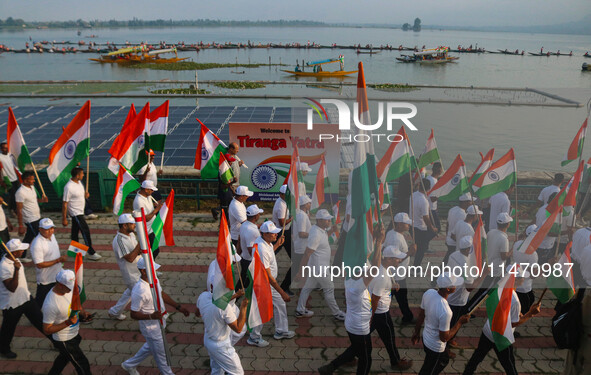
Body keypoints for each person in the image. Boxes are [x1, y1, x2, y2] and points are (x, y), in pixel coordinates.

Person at [318, 224, 385, 375]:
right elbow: (375, 266)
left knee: (356, 348)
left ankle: (330, 367)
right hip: (359, 327)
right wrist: (380, 242)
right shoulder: (357, 286)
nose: (365, 270)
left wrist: (373, 238)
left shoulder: (350, 277)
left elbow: (368, 260)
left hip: (352, 323)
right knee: (366, 357)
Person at [462, 268, 541, 375]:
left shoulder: (499, 288)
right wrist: (530, 314)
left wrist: (519, 314)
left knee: (477, 356)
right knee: (509, 365)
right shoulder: (515, 300)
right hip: (501, 335)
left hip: (488, 329)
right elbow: (513, 323)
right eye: (522, 277)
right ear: (516, 280)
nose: (524, 279)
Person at [121, 258, 189, 375]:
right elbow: (133, 314)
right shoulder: (139, 290)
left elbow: (161, 293)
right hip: (151, 328)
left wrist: (178, 307)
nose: (155, 271)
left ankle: (129, 365)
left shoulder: (153, 279)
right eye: (152, 269)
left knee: (151, 347)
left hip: (159, 322)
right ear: (143, 271)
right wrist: (151, 316)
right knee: (162, 356)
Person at [412, 273, 470, 375]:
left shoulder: (429, 293)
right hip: (435, 347)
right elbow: (444, 338)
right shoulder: (446, 311)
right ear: (448, 289)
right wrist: (459, 323)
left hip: (426, 339)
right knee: (432, 368)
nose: (456, 286)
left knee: (432, 363)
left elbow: (421, 315)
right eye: (454, 285)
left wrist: (416, 333)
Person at [368, 245, 413, 370]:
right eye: (397, 259)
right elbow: (375, 299)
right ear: (389, 259)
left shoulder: (385, 268)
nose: (399, 261)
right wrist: (371, 317)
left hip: (379, 312)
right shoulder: (382, 275)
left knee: (371, 337)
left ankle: (395, 360)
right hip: (379, 313)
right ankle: (396, 362)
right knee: (389, 338)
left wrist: (392, 286)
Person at [295, 209, 345, 321]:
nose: (329, 221)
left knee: (307, 287)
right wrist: (300, 271)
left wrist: (331, 230)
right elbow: (307, 253)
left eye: (329, 219)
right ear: (319, 220)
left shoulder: (317, 229)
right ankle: (337, 313)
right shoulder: (316, 234)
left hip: (316, 267)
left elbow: (323, 238)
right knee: (329, 288)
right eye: (327, 220)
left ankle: (300, 309)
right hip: (319, 268)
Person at [0, 239, 47, 359]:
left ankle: (57, 342)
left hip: (26, 298)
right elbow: (12, 288)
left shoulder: (15, 259)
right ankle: (4, 349)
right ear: (15, 252)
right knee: (8, 329)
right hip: (12, 304)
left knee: (40, 321)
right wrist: (16, 269)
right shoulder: (4, 266)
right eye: (21, 250)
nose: (23, 251)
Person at [42, 269, 92, 375]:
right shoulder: (50, 304)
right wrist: (67, 323)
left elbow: (75, 302)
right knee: (82, 365)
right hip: (64, 339)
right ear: (60, 284)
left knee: (64, 358)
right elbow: (47, 330)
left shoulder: (68, 290)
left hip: (74, 334)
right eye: (68, 287)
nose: (71, 289)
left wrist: (82, 312)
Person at [254, 221, 295, 341]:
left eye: (276, 233)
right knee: (260, 310)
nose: (276, 235)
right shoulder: (261, 248)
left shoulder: (266, 242)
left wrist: (277, 244)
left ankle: (281, 331)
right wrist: (282, 292)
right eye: (273, 233)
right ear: (265, 233)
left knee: (280, 304)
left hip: (268, 283)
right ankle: (254, 336)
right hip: (264, 283)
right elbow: (267, 275)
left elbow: (270, 254)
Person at [196, 286, 249, 375]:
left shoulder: (203, 296)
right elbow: (238, 329)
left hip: (208, 339)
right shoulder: (225, 308)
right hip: (220, 346)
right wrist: (243, 308)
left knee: (217, 369)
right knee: (238, 373)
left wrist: (236, 295)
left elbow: (197, 313)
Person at [62, 167, 101, 261]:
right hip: (75, 213)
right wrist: (64, 218)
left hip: (81, 211)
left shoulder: (79, 183)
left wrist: (85, 195)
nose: (83, 175)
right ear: (77, 175)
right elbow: (64, 203)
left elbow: (79, 195)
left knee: (75, 232)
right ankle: (91, 252)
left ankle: (74, 251)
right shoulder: (68, 187)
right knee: (85, 231)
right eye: (82, 174)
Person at [384, 212, 416, 324]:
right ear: (399, 224)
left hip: (397, 274)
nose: (409, 226)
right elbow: (394, 259)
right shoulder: (396, 239)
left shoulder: (393, 233)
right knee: (401, 297)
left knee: (398, 297)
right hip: (396, 275)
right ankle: (406, 317)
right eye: (406, 224)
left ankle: (407, 316)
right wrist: (410, 253)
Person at [108, 214, 141, 320]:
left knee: (130, 293)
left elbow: (136, 251)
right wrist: (140, 244)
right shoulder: (119, 241)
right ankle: (152, 315)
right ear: (124, 226)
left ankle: (114, 312)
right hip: (131, 274)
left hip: (139, 270)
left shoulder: (131, 235)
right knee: (142, 294)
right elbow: (130, 258)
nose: (134, 225)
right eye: (132, 224)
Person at [30, 218, 68, 306]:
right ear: (40, 229)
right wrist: (58, 260)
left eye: (52, 228)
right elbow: (39, 264)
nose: (50, 231)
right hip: (46, 279)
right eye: (47, 229)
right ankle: (36, 317)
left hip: (57, 274)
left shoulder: (52, 236)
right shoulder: (37, 244)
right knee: (40, 301)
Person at [16, 171, 47, 261]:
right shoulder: (20, 192)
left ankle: (22, 255)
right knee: (39, 237)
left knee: (28, 237)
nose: (34, 181)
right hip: (30, 219)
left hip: (37, 217)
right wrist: (21, 225)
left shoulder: (32, 187)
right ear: (25, 180)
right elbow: (19, 209)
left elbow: (33, 200)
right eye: (32, 179)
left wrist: (41, 200)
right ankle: (42, 256)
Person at [411, 178, 438, 266]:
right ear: (429, 188)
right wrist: (431, 227)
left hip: (412, 224)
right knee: (420, 250)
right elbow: (425, 217)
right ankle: (416, 268)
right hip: (420, 227)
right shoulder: (424, 201)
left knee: (419, 245)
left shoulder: (413, 195)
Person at [272, 185, 294, 295]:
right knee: (271, 252)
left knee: (272, 252)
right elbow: (282, 223)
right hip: (281, 232)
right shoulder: (281, 204)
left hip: (285, 232)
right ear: (282, 194)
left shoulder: (283, 202)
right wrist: (292, 218)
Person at [132, 180, 163, 257]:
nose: (152, 192)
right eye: (151, 190)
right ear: (146, 189)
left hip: (151, 228)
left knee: (154, 251)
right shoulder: (139, 201)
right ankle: (149, 267)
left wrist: (154, 205)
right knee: (152, 252)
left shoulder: (147, 196)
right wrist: (156, 210)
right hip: (146, 231)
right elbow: (146, 218)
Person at [513, 225, 538, 314]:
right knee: (523, 312)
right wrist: (547, 267)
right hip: (525, 287)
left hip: (516, 284)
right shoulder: (533, 254)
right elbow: (533, 275)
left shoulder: (517, 244)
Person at [238, 204, 263, 291]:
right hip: (249, 261)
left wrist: (238, 254)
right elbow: (250, 249)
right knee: (246, 283)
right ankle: (234, 298)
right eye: (259, 214)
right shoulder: (252, 231)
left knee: (243, 281)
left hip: (244, 258)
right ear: (256, 216)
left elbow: (239, 239)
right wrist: (257, 262)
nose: (259, 215)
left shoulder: (244, 225)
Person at [444, 193, 472, 263]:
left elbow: (448, 224)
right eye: (470, 201)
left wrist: (446, 236)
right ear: (465, 202)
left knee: (448, 259)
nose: (471, 203)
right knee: (449, 261)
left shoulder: (452, 209)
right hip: (455, 242)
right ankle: (438, 272)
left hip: (449, 239)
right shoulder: (463, 215)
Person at [534, 192, 559, 264]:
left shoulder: (542, 208)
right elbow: (550, 233)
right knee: (543, 268)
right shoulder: (551, 212)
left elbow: (535, 220)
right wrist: (562, 233)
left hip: (537, 242)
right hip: (545, 245)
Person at [487, 212, 513, 277]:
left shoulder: (490, 232)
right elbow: (504, 257)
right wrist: (512, 249)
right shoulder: (504, 239)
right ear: (507, 225)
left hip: (487, 266)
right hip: (496, 270)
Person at [292, 195, 312, 277]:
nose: (310, 205)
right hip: (302, 247)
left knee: (299, 267)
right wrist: (313, 235)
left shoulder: (302, 215)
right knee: (296, 267)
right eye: (309, 203)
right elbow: (302, 234)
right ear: (305, 205)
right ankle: (285, 286)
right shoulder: (302, 216)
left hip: (303, 246)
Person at [0, 143, 21, 214]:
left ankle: (15, 209)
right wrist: (1, 180)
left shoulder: (11, 155)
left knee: (17, 194)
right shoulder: (0, 157)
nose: (6, 149)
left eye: (7, 147)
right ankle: (12, 210)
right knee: (12, 195)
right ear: (1, 149)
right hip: (7, 179)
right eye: (4, 148)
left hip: (15, 178)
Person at [426, 162, 443, 231]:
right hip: (432, 209)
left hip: (429, 207)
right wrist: (442, 194)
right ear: (440, 171)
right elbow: (432, 198)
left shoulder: (428, 178)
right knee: (437, 228)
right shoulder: (433, 182)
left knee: (429, 228)